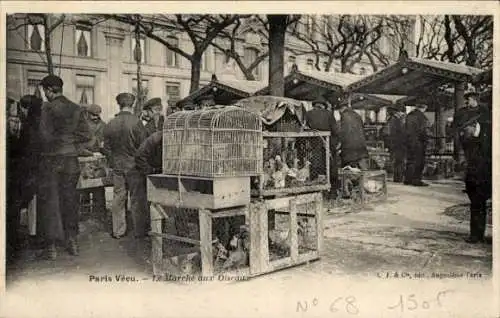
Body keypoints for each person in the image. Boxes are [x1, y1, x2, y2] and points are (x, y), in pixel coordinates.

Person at [37, 75, 92, 259]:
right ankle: (72, 242)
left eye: (45, 91)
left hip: (51, 160)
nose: (44, 94)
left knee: (50, 202)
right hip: (71, 161)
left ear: (49, 90)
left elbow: (43, 137)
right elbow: (86, 135)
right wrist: (70, 143)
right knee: (70, 201)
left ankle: (51, 248)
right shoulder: (76, 108)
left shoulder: (47, 109)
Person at [103, 93, 148, 239]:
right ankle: (140, 231)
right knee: (137, 198)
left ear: (119, 104)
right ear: (132, 104)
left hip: (118, 166)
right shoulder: (136, 122)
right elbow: (143, 147)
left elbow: (107, 148)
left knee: (118, 198)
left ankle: (118, 230)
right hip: (134, 167)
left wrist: (113, 162)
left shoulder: (111, 123)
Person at [457, 91, 491, 243]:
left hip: (481, 171)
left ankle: (476, 235)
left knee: (477, 202)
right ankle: (477, 234)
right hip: (479, 171)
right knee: (478, 202)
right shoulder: (483, 126)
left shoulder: (482, 131)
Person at [304, 98, 339, 199]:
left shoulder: (308, 114)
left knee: (314, 168)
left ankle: (313, 193)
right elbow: (335, 131)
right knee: (331, 167)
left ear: (314, 105)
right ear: (323, 105)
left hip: (313, 146)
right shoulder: (329, 114)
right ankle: (332, 193)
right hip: (327, 146)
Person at [336, 98, 369, 169]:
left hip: (349, 148)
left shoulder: (344, 116)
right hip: (361, 146)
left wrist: (338, 145)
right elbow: (363, 129)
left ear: (340, 109)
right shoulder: (357, 115)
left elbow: (343, 132)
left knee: (349, 171)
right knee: (362, 169)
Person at [404, 104, 430, 186]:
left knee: (410, 160)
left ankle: (407, 179)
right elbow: (423, 130)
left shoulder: (410, 115)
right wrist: (426, 140)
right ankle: (416, 180)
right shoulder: (421, 117)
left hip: (409, 141)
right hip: (419, 142)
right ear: (424, 107)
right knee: (419, 161)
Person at [386, 104, 407, 182]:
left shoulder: (392, 119)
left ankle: (397, 177)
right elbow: (401, 131)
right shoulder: (397, 120)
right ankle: (399, 178)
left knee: (398, 161)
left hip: (395, 143)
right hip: (399, 143)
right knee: (400, 161)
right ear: (399, 112)